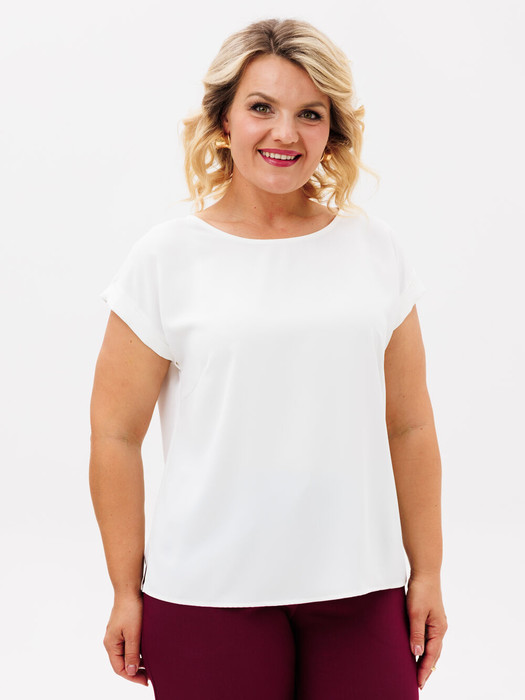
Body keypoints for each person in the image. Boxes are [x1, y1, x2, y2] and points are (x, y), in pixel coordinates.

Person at [89, 17, 448, 699]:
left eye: (310, 113)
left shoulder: (374, 252)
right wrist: (124, 589)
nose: (285, 133)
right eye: (261, 107)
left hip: (360, 587)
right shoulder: (165, 259)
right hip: (207, 592)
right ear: (223, 120)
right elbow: (114, 434)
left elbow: (410, 425)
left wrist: (426, 573)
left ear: (332, 132)